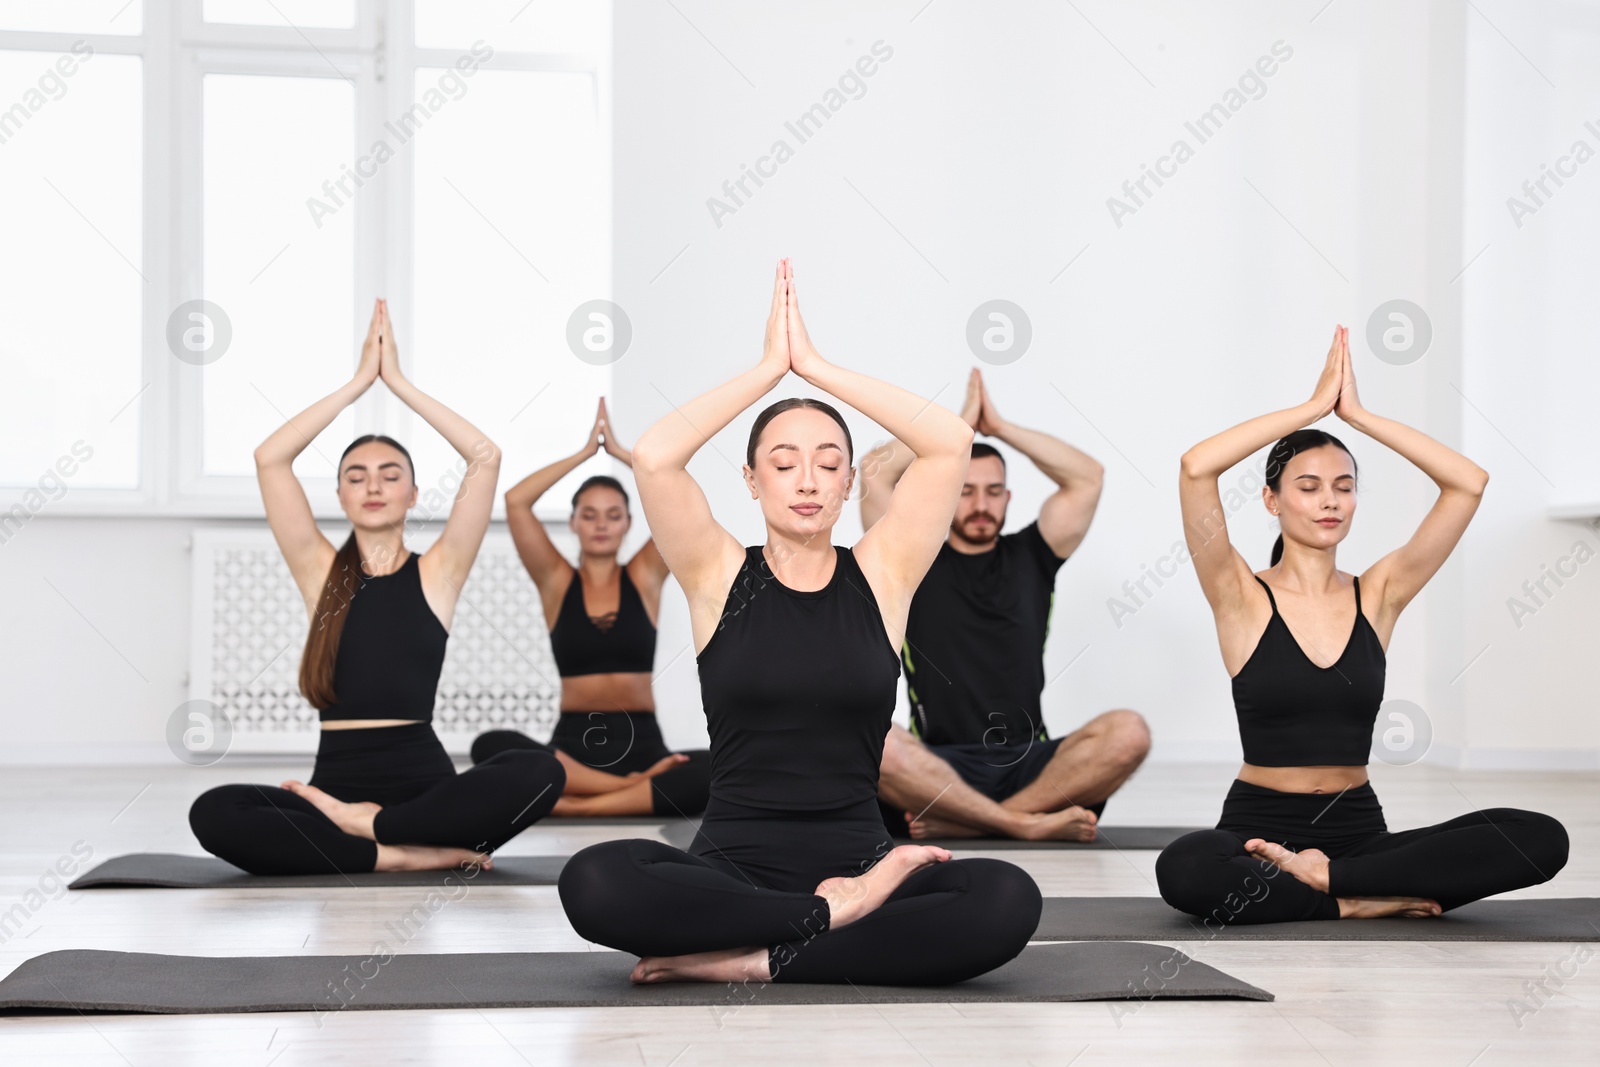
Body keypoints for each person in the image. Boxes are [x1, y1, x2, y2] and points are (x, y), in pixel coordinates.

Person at [557, 260, 1042, 985]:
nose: (808, 480)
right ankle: (820, 927)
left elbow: (948, 442)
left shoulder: (883, 573)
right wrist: (767, 371)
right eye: (784, 464)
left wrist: (816, 368)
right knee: (593, 878)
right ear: (751, 481)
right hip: (734, 865)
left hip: (864, 861)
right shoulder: (717, 573)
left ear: (850, 483)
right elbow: (655, 456)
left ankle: (756, 955)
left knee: (1008, 898)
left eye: (828, 463)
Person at [1155, 325, 1568, 923]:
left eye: (1344, 487)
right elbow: (1196, 468)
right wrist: (1310, 409)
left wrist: (1360, 417)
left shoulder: (1379, 594)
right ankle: (1351, 902)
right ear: (1272, 501)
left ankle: (1333, 881)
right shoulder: (1238, 595)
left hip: (1357, 836)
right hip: (1257, 834)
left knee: (1540, 836)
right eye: (1308, 486)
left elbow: (1467, 483)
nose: (1330, 501)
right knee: (1186, 867)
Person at [188, 299, 565, 875]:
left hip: (423, 789)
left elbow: (484, 456)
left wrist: (401, 384)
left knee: (542, 772)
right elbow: (271, 458)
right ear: (339, 495)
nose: (373, 486)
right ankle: (392, 855)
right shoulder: (320, 571)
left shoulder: (437, 572)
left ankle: (375, 833)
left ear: (414, 495)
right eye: (355, 477)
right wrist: (360, 383)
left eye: (391, 476)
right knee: (214, 811)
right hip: (333, 790)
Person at [862, 369, 1150, 841]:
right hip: (937, 770)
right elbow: (876, 472)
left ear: (1008, 498)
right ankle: (1021, 825)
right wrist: (956, 430)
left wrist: (1001, 428)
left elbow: (1087, 477)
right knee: (869, 737)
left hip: (1030, 763)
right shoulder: (911, 558)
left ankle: (984, 822)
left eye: (993, 491)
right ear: (947, 497)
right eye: (966, 491)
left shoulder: (1033, 555)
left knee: (1130, 732)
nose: (981, 504)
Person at [468, 399, 711, 817]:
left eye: (613, 515)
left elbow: (687, 504)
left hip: (644, 745)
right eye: (590, 515)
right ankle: (629, 792)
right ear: (574, 522)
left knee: (718, 768)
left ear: (629, 524)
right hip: (572, 751)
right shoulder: (556, 581)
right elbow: (516, 502)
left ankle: (572, 806)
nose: (601, 524)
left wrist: (625, 456)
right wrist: (583, 454)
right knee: (489, 746)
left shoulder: (645, 577)